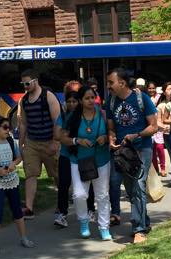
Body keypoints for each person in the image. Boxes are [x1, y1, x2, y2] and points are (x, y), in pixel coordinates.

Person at [106, 68, 158, 244]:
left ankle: (139, 229)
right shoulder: (111, 101)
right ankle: (145, 221)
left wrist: (136, 135)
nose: (108, 86)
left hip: (141, 148)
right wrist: (111, 138)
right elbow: (111, 127)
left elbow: (154, 127)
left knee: (138, 186)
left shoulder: (141, 98)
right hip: (122, 152)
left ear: (121, 83)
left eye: (111, 82)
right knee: (130, 188)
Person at [58, 85, 111, 240]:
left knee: (102, 195)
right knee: (79, 194)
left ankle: (104, 227)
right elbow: (62, 138)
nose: (90, 101)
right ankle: (83, 221)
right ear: (80, 100)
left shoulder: (102, 114)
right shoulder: (73, 117)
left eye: (92, 97)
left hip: (101, 160)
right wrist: (77, 140)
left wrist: (106, 138)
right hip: (78, 160)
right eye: (87, 98)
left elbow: (112, 133)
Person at [0, 116, 30, 255]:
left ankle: (24, 237)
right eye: (5, 127)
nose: (8, 130)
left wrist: (13, 164)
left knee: (17, 210)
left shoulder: (11, 142)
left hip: (12, 181)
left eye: (9, 127)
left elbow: (18, 157)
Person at [16, 68, 60, 221]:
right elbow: (23, 124)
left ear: (35, 81)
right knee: (30, 174)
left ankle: (62, 203)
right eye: (23, 83)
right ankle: (29, 208)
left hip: (49, 142)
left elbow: (57, 120)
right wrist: (21, 145)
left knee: (56, 174)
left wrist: (55, 141)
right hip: (32, 143)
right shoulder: (24, 100)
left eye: (27, 83)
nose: (25, 86)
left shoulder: (48, 96)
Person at [54, 89, 95, 227]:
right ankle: (62, 213)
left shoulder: (86, 115)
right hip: (66, 154)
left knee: (87, 182)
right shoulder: (64, 116)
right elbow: (57, 135)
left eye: (74, 101)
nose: (71, 104)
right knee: (64, 183)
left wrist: (67, 135)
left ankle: (90, 210)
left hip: (82, 155)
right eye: (69, 101)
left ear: (79, 102)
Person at [146, 82, 167, 175]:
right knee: (152, 149)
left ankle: (163, 168)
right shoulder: (144, 97)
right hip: (149, 125)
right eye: (149, 88)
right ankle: (155, 169)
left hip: (159, 126)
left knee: (160, 147)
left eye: (153, 88)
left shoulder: (160, 97)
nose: (151, 90)